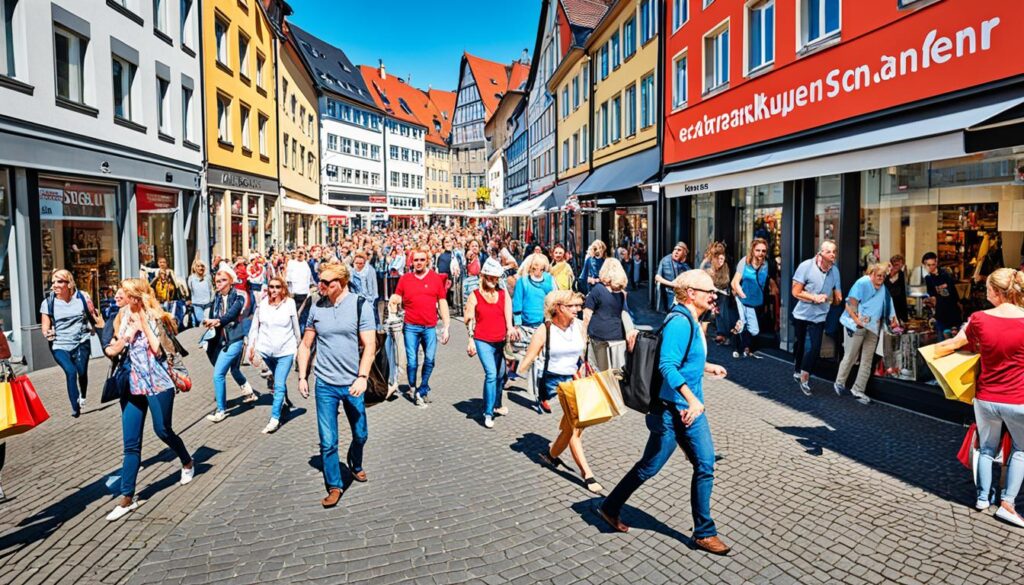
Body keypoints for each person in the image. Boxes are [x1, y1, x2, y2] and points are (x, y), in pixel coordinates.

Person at [598, 270, 731, 555]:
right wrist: (692, 400)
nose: (713, 295)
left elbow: (681, 360)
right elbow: (667, 366)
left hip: (689, 409)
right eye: (708, 291)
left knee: (705, 463)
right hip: (671, 411)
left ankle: (704, 532)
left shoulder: (693, 320)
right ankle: (609, 506)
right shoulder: (680, 322)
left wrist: (706, 368)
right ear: (691, 293)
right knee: (650, 466)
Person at [933, 268, 1024, 525]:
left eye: (987, 289)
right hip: (1018, 398)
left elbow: (952, 345)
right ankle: (1007, 503)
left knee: (986, 448)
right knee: (1021, 449)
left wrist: (929, 352)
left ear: (996, 292)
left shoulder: (978, 318)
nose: (985, 294)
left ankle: (983, 498)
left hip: (985, 398)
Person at [103, 279, 193, 521]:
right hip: (132, 385)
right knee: (131, 443)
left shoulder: (155, 316)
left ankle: (186, 461)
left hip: (158, 382)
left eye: (126, 292)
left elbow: (158, 350)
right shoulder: (121, 315)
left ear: (136, 296)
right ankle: (127, 497)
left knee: (163, 430)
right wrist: (116, 344)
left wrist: (141, 323)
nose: (120, 294)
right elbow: (115, 348)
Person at [296, 263, 376, 508]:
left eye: (328, 283)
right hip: (325, 384)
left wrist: (362, 377)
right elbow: (306, 345)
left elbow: (370, 346)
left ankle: (355, 462)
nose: (322, 286)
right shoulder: (316, 306)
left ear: (342, 283)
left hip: (353, 382)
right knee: (328, 441)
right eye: (321, 281)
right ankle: (334, 485)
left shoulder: (360, 305)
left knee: (361, 434)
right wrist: (302, 376)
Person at [519, 290, 603, 493]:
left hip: (574, 378)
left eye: (578, 305)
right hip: (555, 381)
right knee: (575, 425)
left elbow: (581, 354)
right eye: (572, 306)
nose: (578, 309)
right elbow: (530, 356)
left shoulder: (578, 325)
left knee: (573, 426)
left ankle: (551, 455)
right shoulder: (545, 329)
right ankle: (587, 474)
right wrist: (514, 371)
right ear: (558, 308)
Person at [389, 247, 451, 407]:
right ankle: (412, 386)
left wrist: (446, 326)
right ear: (412, 261)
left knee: (430, 360)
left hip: (430, 326)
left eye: (422, 260)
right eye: (416, 260)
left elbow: (443, 302)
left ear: (427, 261)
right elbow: (397, 296)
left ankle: (422, 388)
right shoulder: (405, 279)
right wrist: (393, 302)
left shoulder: (436, 279)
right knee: (412, 362)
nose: (418, 263)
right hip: (411, 326)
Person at [834, 262, 899, 405]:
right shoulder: (862, 283)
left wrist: (893, 320)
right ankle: (839, 383)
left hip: (873, 327)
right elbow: (850, 304)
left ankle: (858, 390)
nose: (881, 279)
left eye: (883, 276)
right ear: (871, 274)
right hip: (857, 325)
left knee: (867, 360)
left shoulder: (883, 289)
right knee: (851, 355)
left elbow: (888, 303)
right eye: (878, 276)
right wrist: (857, 321)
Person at [465, 259, 518, 429]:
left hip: (500, 340)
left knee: (501, 375)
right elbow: (470, 319)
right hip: (482, 340)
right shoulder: (475, 295)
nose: (493, 280)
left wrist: (510, 329)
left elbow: (508, 315)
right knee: (491, 373)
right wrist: (471, 339)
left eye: (496, 278)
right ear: (483, 275)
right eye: (490, 277)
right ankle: (488, 413)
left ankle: (496, 403)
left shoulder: (503, 294)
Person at [40, 269, 100, 417]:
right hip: (59, 345)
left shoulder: (82, 297)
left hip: (81, 342)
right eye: (53, 282)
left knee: (82, 372)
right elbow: (45, 327)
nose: (55, 285)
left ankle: (83, 395)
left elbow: (94, 316)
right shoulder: (48, 302)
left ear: (69, 283)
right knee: (71, 371)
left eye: (59, 281)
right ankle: (75, 407)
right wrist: (48, 333)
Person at [247, 276, 300, 434]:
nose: (274, 290)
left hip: (286, 351)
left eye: (277, 287)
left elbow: (296, 328)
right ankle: (284, 402)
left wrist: (299, 349)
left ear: (283, 289)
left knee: (278, 384)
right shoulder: (262, 305)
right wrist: (251, 346)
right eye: (271, 287)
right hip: (266, 351)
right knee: (277, 381)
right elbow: (254, 327)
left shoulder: (289, 304)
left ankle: (274, 419)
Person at [203, 269, 257, 422]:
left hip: (235, 339)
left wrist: (218, 321)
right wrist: (209, 324)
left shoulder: (238, 296)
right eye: (217, 281)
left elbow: (232, 314)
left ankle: (221, 410)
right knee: (234, 370)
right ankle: (250, 392)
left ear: (231, 281)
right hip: (222, 341)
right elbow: (214, 316)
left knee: (218, 374)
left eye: (223, 281)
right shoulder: (217, 298)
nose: (219, 284)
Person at [790, 241, 843, 395]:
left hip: (819, 317)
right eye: (829, 252)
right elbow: (795, 291)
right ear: (821, 253)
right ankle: (797, 369)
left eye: (834, 252)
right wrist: (814, 297)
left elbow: (837, 296)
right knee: (800, 345)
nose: (833, 255)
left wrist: (835, 297)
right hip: (802, 314)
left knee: (814, 348)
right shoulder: (806, 266)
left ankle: (805, 379)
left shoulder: (835, 271)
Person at [582, 258, 637, 371]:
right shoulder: (622, 294)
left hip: (599, 337)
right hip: (618, 337)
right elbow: (624, 313)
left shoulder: (597, 290)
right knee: (617, 373)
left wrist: (583, 337)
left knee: (600, 373)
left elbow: (587, 317)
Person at [731, 238, 769, 359]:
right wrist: (741, 294)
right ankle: (739, 348)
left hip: (756, 300)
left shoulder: (766, 264)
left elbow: (766, 281)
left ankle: (744, 344)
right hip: (742, 298)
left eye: (763, 251)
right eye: (758, 250)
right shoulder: (744, 262)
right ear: (752, 250)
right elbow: (735, 282)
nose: (760, 253)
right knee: (743, 322)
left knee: (753, 329)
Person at [922, 252, 963, 340]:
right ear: (924, 265)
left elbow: (952, 292)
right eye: (928, 265)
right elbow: (931, 294)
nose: (931, 267)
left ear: (936, 263)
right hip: (940, 313)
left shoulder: (945, 274)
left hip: (952, 311)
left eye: (933, 264)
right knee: (941, 341)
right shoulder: (927, 278)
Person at [701, 243, 732, 345]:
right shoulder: (707, 266)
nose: (720, 261)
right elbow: (703, 279)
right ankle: (702, 332)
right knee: (706, 311)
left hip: (721, 291)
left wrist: (718, 287)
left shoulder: (725, 267)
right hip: (708, 290)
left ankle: (722, 334)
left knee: (722, 310)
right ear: (713, 259)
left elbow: (726, 281)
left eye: (722, 259)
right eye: (718, 259)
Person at [655, 242, 690, 312]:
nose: (676, 252)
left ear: (685, 253)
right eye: (675, 249)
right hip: (669, 294)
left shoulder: (686, 264)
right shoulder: (665, 260)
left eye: (679, 250)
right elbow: (657, 277)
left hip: (682, 295)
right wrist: (672, 284)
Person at [351, 250, 379, 325]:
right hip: (358, 299)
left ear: (364, 263)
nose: (358, 265)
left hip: (370, 298)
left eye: (361, 263)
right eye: (356, 263)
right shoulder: (352, 272)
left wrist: (373, 299)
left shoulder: (370, 270)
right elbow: (351, 288)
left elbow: (374, 286)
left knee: (373, 319)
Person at [286, 250, 314, 326]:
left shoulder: (306, 265)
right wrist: (289, 293)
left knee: (303, 316)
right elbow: (288, 280)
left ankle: (302, 332)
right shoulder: (291, 263)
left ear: (304, 255)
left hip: (305, 295)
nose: (300, 255)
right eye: (298, 253)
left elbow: (310, 279)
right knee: (294, 316)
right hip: (294, 295)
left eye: (302, 253)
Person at [885, 255, 910, 323]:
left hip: (899, 304)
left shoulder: (901, 274)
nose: (898, 266)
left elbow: (902, 292)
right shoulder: (885, 274)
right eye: (896, 264)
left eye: (900, 264)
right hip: (888, 302)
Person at [187, 260, 214, 326]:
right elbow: (190, 289)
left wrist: (211, 301)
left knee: (207, 321)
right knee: (200, 320)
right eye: (198, 266)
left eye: (202, 266)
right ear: (195, 268)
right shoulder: (191, 278)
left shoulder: (208, 277)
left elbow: (211, 289)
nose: (200, 268)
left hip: (207, 304)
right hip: (197, 304)